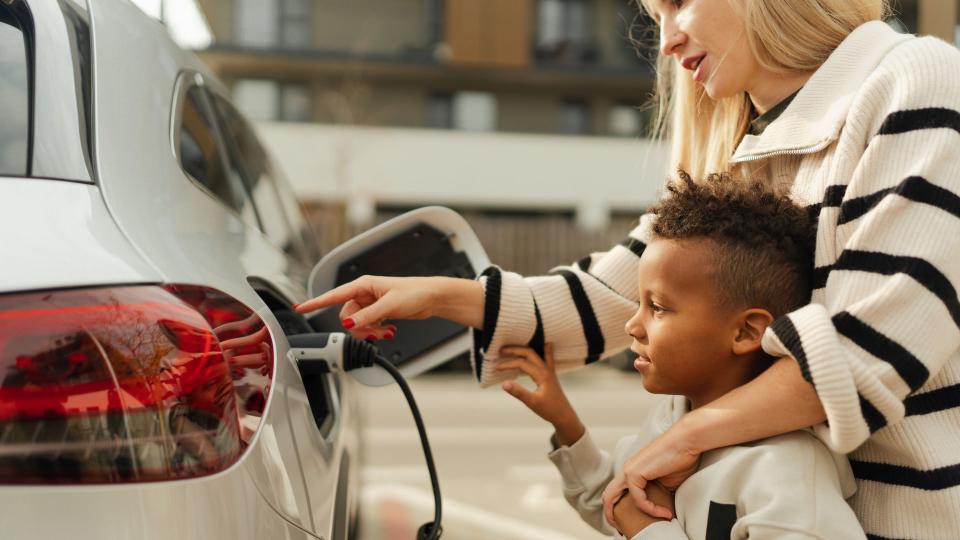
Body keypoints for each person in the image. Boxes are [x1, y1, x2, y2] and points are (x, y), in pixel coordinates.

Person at [296, 1, 960, 537]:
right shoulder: (734, 149)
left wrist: (682, 438)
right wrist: (444, 296)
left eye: (678, 4)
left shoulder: (915, 80)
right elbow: (609, 300)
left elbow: (867, 355)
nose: (666, 41)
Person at [496, 172, 864, 539]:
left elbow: (634, 520)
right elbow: (612, 506)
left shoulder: (788, 469)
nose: (631, 326)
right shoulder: (671, 419)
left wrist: (650, 531)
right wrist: (565, 423)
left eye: (656, 307)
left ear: (747, 332)